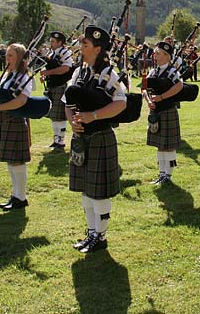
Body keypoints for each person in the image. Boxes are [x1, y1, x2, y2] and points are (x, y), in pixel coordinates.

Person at [66, 26, 127, 254]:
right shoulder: (79, 73)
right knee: (85, 187)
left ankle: (100, 236)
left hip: (101, 136)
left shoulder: (109, 74)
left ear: (98, 49)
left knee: (98, 190)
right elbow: (67, 102)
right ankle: (91, 233)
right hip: (82, 137)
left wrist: (93, 116)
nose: (81, 48)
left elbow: (120, 104)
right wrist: (73, 121)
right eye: (82, 44)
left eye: (86, 45)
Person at [0, 43, 33, 210]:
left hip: (16, 120)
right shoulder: (8, 75)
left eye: (11, 55)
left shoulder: (24, 77)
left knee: (17, 161)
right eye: (7, 55)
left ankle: (21, 197)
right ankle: (15, 195)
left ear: (20, 58)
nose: (7, 58)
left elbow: (21, 101)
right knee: (10, 161)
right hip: (4, 120)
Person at [144, 41, 183, 184]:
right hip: (155, 112)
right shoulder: (153, 71)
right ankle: (161, 173)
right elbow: (144, 88)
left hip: (167, 111)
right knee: (160, 145)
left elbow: (179, 86)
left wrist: (161, 97)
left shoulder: (172, 72)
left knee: (168, 145)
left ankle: (168, 174)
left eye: (158, 53)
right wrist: (148, 100)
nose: (155, 55)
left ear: (167, 56)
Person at [40, 31, 74, 152]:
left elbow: (66, 68)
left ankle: (61, 140)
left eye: (53, 42)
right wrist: (44, 75)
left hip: (60, 86)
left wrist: (48, 73)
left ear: (60, 42)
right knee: (54, 115)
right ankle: (56, 139)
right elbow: (48, 66)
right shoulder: (52, 53)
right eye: (51, 41)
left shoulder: (65, 53)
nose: (51, 43)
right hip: (52, 86)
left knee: (60, 115)